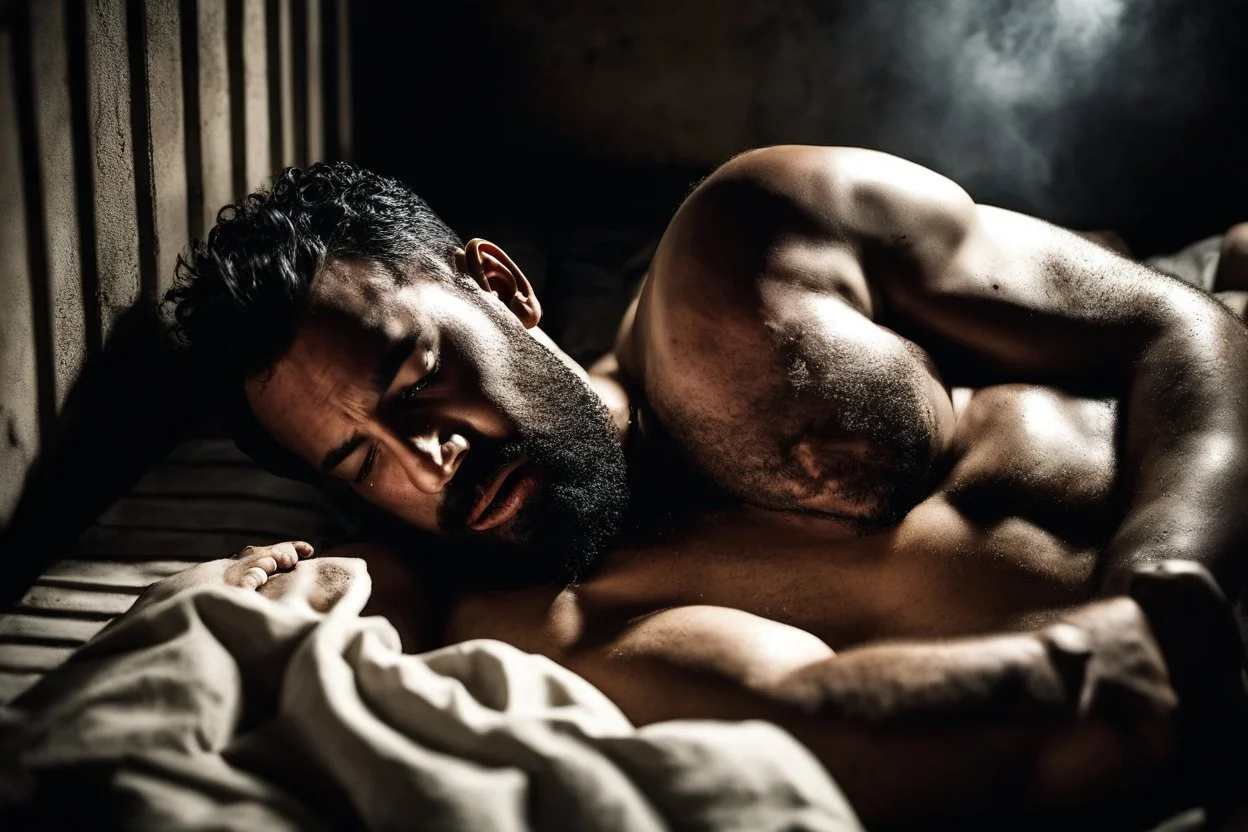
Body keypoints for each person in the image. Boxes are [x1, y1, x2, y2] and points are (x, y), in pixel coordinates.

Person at [157, 149, 1248, 826]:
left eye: (418, 377)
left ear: (500, 285)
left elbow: (1177, 326)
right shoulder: (542, 638)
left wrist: (1168, 574)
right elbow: (837, 753)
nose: (426, 459)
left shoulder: (751, 247)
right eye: (360, 460)